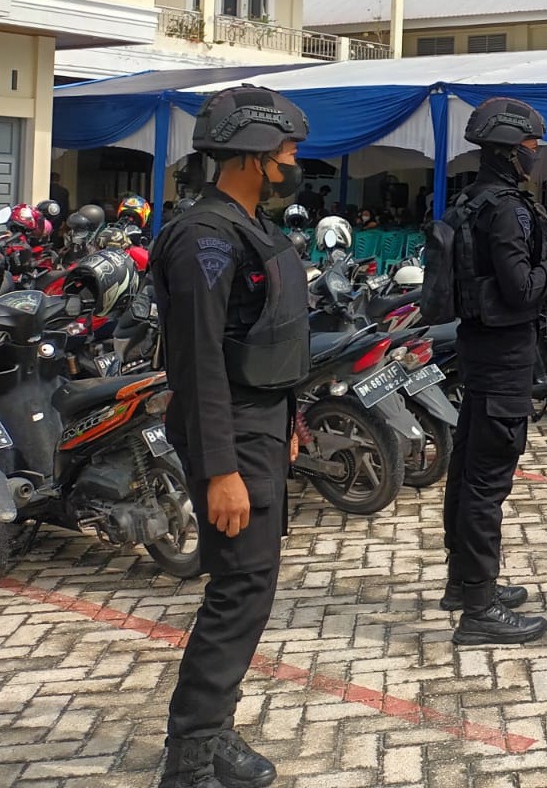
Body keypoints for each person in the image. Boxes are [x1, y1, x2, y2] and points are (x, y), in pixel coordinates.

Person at [152, 85, 313, 788]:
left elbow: (268, 338)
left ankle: (212, 733)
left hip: (261, 426)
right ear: (252, 154)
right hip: (230, 433)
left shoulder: (247, 226)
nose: (292, 162)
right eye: (286, 151)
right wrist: (221, 469)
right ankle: (189, 761)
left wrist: (291, 421)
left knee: (250, 587)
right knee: (237, 591)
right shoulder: (204, 239)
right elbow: (198, 365)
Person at [439, 98, 547, 643]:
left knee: (467, 471)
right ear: (509, 149)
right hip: (504, 358)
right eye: (532, 147)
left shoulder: (469, 201)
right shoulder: (507, 209)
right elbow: (521, 288)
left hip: (478, 350)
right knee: (487, 483)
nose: (536, 155)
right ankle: (479, 608)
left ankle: (463, 583)